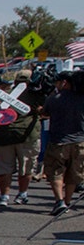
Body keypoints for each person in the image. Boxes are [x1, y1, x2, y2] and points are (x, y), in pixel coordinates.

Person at [0, 72, 43, 207]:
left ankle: (4, 196)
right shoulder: (37, 95)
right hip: (27, 137)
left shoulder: (3, 94)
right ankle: (22, 194)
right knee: (26, 168)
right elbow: (44, 111)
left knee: (5, 168)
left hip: (5, 136)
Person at [42, 70, 84, 215]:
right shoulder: (81, 98)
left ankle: (59, 201)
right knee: (73, 174)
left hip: (58, 141)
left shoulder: (55, 98)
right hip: (80, 141)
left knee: (56, 172)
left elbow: (45, 113)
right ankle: (67, 201)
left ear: (64, 83)